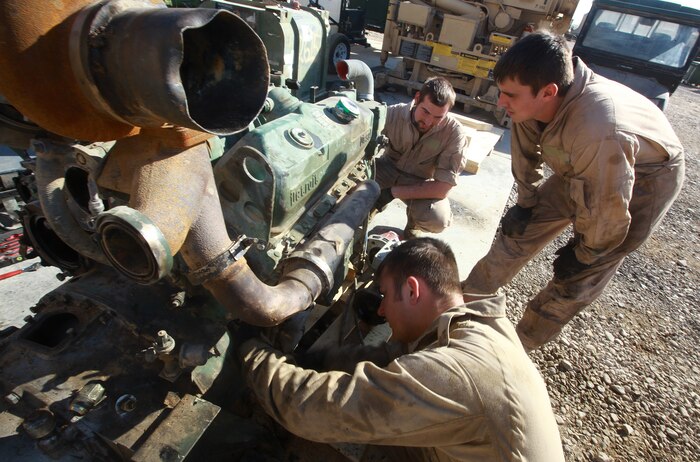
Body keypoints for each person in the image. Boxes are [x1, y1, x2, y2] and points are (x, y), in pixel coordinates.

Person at [238, 238, 565, 461]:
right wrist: (312, 360)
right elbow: (396, 357)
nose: (381, 312)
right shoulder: (479, 327)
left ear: (412, 290)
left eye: (384, 296)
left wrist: (253, 351)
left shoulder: (457, 372)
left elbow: (314, 411)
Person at [461, 32, 685, 351]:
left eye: (509, 94)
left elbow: (608, 212)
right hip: (585, 163)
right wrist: (526, 202)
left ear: (548, 92)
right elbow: (526, 154)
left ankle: (512, 352)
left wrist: (585, 254)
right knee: (517, 234)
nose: (500, 102)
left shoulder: (599, 130)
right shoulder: (531, 101)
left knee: (574, 281)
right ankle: (463, 305)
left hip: (646, 178)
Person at [375, 77, 469, 238]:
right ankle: (369, 208)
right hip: (386, 169)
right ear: (417, 99)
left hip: (419, 180)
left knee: (438, 219)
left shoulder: (454, 134)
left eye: (438, 117)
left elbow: (442, 189)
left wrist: (392, 192)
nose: (429, 121)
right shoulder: (393, 114)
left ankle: (414, 226)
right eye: (425, 111)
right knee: (350, 193)